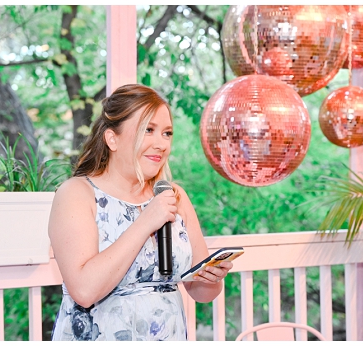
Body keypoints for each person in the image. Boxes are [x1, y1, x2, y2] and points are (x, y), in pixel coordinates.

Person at [48, 84, 231, 341]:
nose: (161, 144)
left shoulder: (173, 195)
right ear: (112, 138)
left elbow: (201, 293)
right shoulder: (76, 193)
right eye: (149, 130)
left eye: (167, 133)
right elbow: (84, 290)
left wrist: (212, 278)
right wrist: (145, 222)